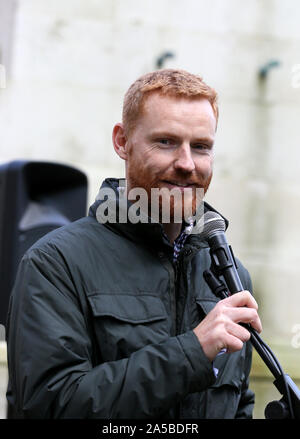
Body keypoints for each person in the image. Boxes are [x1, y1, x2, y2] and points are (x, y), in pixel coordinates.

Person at [6, 68, 262, 419]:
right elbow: (49, 406)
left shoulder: (230, 276)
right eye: (166, 142)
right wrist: (192, 352)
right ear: (122, 142)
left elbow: (239, 405)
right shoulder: (55, 264)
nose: (187, 164)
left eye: (201, 146)